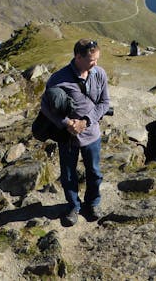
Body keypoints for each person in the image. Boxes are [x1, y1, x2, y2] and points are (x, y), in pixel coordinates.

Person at [43, 39, 110, 226]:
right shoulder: (58, 79)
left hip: (92, 135)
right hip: (68, 137)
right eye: (91, 60)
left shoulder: (99, 73)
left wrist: (86, 121)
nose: (95, 64)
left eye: (97, 59)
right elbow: (45, 106)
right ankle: (73, 206)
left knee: (95, 172)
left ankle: (93, 203)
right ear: (78, 57)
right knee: (69, 174)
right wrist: (66, 123)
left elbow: (105, 103)